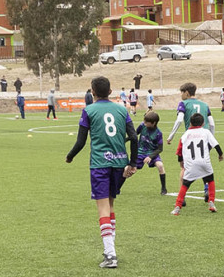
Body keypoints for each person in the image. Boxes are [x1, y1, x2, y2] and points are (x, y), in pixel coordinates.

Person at [67, 75, 138, 266]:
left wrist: (70, 156)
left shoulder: (88, 111)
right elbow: (133, 137)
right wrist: (132, 163)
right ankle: (111, 249)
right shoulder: (122, 110)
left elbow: (81, 141)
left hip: (100, 164)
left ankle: (110, 255)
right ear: (110, 91)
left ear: (92, 92)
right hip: (120, 164)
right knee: (111, 204)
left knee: (103, 208)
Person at [171, 110, 221, 215]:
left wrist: (181, 162)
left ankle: (177, 207)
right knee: (210, 180)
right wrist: (220, 154)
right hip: (204, 162)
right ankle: (211, 202)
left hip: (191, 164)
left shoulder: (185, 135)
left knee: (185, 185)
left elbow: (179, 151)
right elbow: (216, 144)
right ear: (203, 123)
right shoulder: (206, 132)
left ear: (190, 123)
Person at [137, 110, 167, 194]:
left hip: (152, 152)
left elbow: (160, 149)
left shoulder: (158, 133)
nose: (144, 123)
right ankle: (117, 187)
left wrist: (150, 156)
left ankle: (164, 189)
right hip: (140, 152)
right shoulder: (142, 126)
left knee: (160, 166)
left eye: (147, 122)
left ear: (154, 123)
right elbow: (134, 134)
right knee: (129, 169)